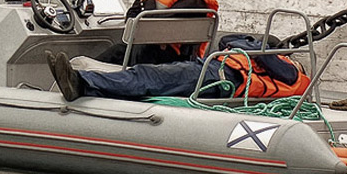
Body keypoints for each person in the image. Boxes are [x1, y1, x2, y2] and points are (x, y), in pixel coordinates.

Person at [48, 35, 311, 102]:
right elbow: (226, 41)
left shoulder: (292, 73)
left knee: (148, 76)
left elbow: (250, 50)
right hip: (209, 70)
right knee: (148, 78)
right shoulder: (274, 64)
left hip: (218, 79)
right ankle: (86, 85)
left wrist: (257, 46)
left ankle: (82, 82)